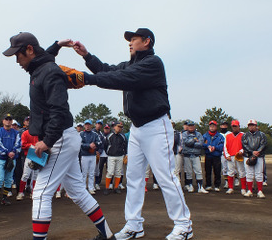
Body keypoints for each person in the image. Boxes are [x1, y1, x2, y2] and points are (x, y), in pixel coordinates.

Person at [70, 28, 192, 240]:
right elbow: (107, 70)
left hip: (156, 125)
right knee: (134, 177)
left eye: (133, 39)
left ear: (147, 41)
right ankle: (134, 224)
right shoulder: (131, 65)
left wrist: (86, 79)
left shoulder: (153, 63)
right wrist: (87, 56)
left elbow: (122, 78)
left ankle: (184, 225)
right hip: (136, 128)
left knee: (165, 176)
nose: (129, 42)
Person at [3, 32, 115, 240]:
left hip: (58, 138)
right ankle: (107, 235)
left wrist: (47, 141)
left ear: (29, 50)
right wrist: (57, 45)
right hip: (63, 137)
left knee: (41, 193)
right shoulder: (40, 68)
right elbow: (43, 57)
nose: (16, 61)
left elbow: (59, 110)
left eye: (18, 55)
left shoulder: (50, 72)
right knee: (78, 192)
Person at [0, 113, 21, 207]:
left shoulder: (16, 133)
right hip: (2, 158)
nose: (8, 121)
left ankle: (4, 198)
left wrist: (13, 152)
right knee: (0, 178)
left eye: (10, 119)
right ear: (3, 121)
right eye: (6, 119)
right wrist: (7, 152)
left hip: (12, 158)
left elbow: (18, 144)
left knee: (9, 179)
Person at [241, 119, 267, 198]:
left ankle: (260, 191)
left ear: (256, 126)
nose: (251, 127)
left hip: (259, 156)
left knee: (259, 174)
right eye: (250, 125)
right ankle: (250, 191)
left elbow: (264, 144)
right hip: (248, 156)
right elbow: (244, 145)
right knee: (249, 174)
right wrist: (252, 152)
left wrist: (258, 151)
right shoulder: (245, 135)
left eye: (253, 125)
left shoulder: (262, 134)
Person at [181, 121, 207, 194]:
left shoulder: (198, 134)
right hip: (187, 155)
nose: (191, 127)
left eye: (192, 126)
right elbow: (186, 142)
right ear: (188, 127)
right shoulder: (184, 134)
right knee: (188, 171)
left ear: (194, 126)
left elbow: (200, 144)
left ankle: (200, 187)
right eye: (189, 126)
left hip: (196, 155)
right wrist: (194, 140)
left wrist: (191, 143)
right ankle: (190, 186)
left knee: (198, 171)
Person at [223, 120, 246, 195]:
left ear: (239, 126)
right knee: (230, 172)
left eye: (236, 126)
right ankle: (230, 188)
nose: (234, 128)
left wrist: (242, 151)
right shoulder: (228, 136)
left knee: (242, 172)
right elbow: (225, 147)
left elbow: (246, 145)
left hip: (239, 156)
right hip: (231, 156)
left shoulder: (243, 135)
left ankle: (243, 188)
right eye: (233, 126)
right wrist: (227, 155)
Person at [104, 122, 127, 195]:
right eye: (118, 126)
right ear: (114, 127)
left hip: (120, 156)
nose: (119, 128)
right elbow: (105, 146)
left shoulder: (122, 136)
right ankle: (107, 188)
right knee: (110, 172)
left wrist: (125, 154)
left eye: (121, 127)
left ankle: (116, 187)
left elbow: (125, 146)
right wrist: (108, 152)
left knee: (118, 172)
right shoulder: (109, 136)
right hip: (111, 156)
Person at [16, 129, 40, 200]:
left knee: (36, 175)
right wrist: (31, 145)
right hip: (29, 155)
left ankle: (33, 192)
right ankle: (20, 192)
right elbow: (23, 144)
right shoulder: (26, 133)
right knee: (26, 175)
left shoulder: (40, 133)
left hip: (38, 156)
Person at [80, 119, 102, 195]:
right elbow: (80, 144)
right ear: (84, 125)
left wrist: (94, 144)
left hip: (93, 155)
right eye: (86, 124)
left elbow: (99, 142)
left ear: (91, 125)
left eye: (89, 124)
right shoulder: (81, 134)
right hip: (85, 155)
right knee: (84, 173)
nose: (87, 126)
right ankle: (83, 188)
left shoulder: (95, 134)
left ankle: (91, 188)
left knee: (92, 173)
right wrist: (89, 145)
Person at [202, 121, 224, 192]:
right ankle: (208, 185)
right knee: (207, 171)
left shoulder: (220, 136)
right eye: (211, 126)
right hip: (208, 155)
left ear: (216, 127)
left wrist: (215, 147)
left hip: (216, 156)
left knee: (217, 171)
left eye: (213, 126)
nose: (212, 127)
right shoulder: (205, 136)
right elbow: (201, 144)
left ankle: (217, 185)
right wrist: (207, 146)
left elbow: (222, 146)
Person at [219, 122, 231, 189]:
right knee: (224, 168)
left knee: (232, 168)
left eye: (225, 125)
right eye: (222, 125)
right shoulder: (219, 134)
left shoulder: (229, 133)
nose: (223, 127)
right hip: (222, 153)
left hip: (230, 153)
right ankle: (227, 182)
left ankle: (235, 179)